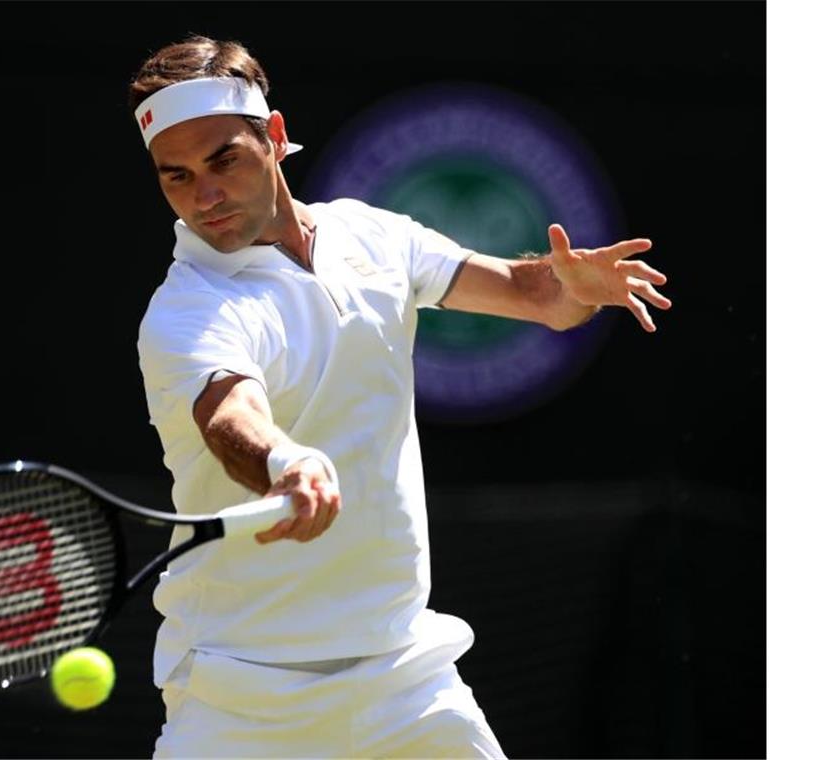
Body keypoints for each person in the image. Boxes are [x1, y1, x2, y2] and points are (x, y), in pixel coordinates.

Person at [129, 35, 670, 759]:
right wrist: (285, 462)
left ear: (277, 138)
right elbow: (229, 414)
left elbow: (531, 292)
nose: (206, 196)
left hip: (402, 678)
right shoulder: (187, 310)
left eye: (223, 158)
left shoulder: (372, 235)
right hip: (242, 698)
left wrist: (569, 288)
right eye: (178, 176)